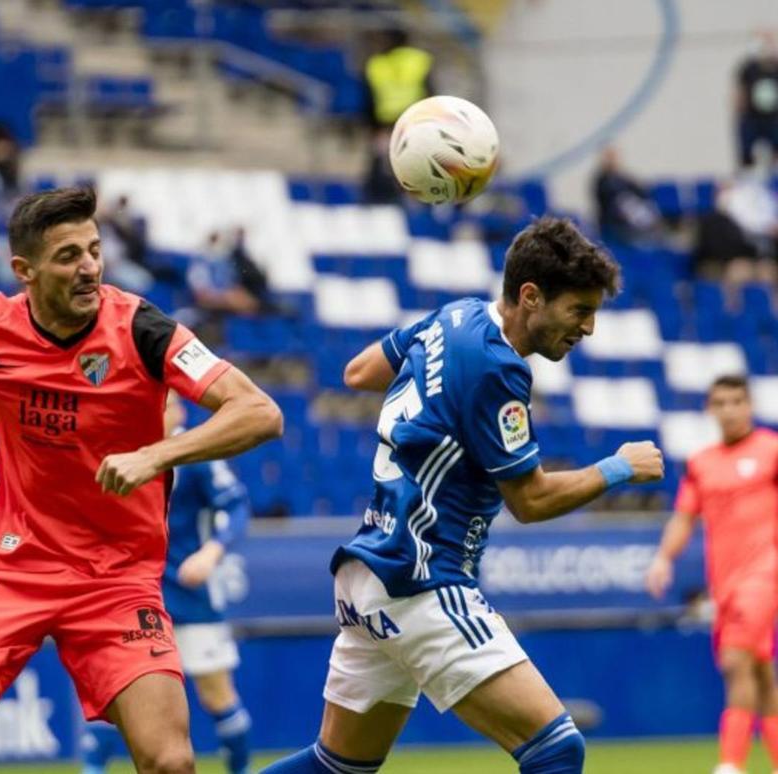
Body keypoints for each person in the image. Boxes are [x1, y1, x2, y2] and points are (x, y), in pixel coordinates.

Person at [0, 186, 283, 774]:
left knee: (170, 762)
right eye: (69, 256)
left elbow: (260, 412)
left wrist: (156, 455)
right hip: (12, 566)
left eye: (94, 250)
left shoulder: (144, 329)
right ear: (25, 271)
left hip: (117, 579)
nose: (90, 267)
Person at [262, 217, 664, 774]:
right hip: (422, 578)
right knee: (557, 748)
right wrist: (618, 468)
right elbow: (531, 501)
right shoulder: (495, 368)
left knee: (336, 768)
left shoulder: (455, 317)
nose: (589, 328)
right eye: (579, 310)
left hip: (369, 571)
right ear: (530, 296)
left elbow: (359, 371)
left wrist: (434, 394)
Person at [82, 391, 254, 774]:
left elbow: (237, 506)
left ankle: (241, 770)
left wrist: (212, 553)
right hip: (133, 595)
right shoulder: (120, 454)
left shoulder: (197, 455)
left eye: (168, 404)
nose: (164, 410)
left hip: (191, 596)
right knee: (119, 695)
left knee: (216, 695)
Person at [645, 376, 778, 774]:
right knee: (759, 672)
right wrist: (663, 559)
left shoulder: (771, 450)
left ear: (749, 405)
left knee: (735, 661)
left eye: (737, 401)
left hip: (766, 574)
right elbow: (684, 518)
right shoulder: (701, 463)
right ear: (710, 409)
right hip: (726, 583)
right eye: (720, 402)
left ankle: (730, 765)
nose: (729, 409)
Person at [735, 31, 778, 170]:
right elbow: (740, 92)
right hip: (752, 117)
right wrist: (740, 111)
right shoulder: (749, 69)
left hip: (773, 117)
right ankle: (748, 174)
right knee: (747, 152)